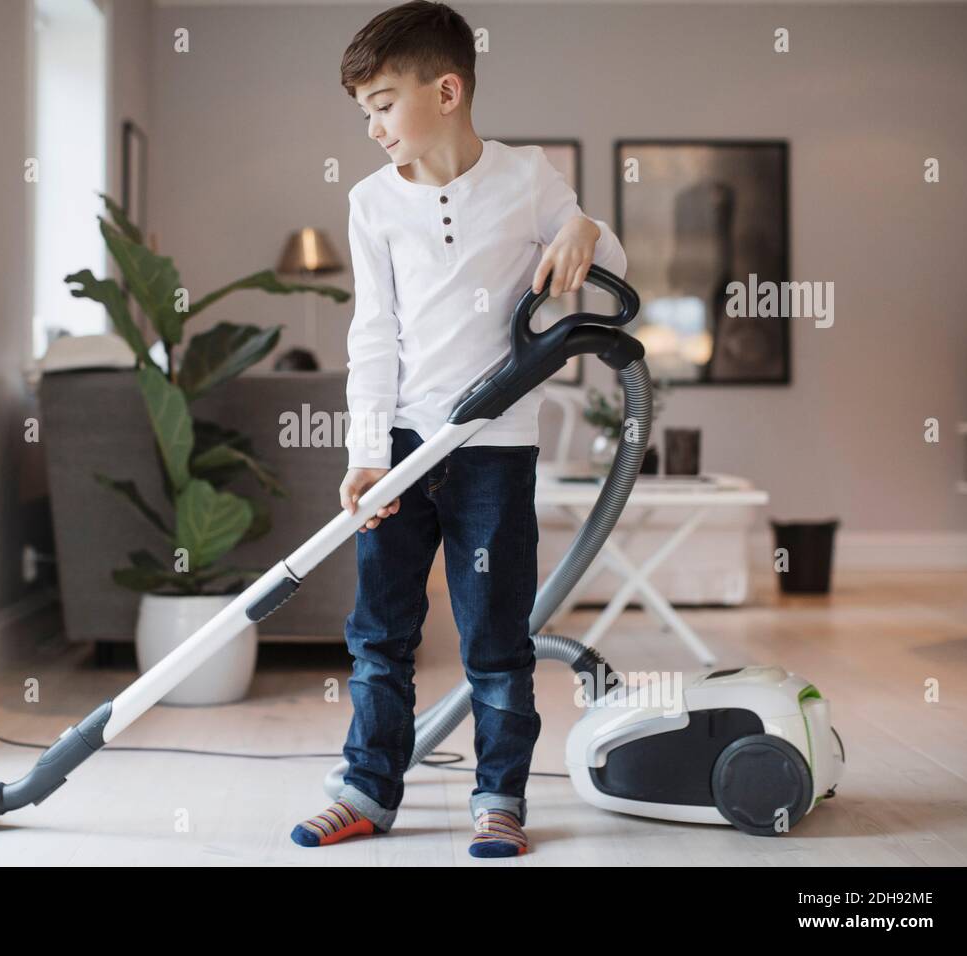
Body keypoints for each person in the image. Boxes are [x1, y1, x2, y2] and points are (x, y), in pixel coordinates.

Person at [291, 0, 627, 858]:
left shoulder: (526, 178)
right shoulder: (372, 203)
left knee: (494, 637)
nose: (370, 126)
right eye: (362, 110)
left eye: (381, 104)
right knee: (379, 634)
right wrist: (367, 455)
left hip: (495, 451)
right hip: (403, 448)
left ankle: (499, 796)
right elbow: (372, 335)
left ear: (446, 90)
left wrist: (585, 226)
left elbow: (608, 270)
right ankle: (367, 787)